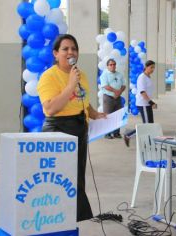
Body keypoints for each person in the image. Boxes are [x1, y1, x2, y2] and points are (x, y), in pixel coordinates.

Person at [37, 34, 107, 222]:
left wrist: (94, 114)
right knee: (63, 178)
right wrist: (69, 85)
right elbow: (50, 108)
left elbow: (82, 99)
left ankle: (76, 219)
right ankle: (66, 218)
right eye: (65, 49)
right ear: (56, 53)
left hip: (79, 128)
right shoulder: (48, 77)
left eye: (74, 49)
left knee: (77, 176)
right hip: (58, 129)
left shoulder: (80, 75)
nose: (70, 52)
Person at [124, 60, 157, 147]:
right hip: (143, 104)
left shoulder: (148, 77)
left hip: (147, 104)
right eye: (151, 67)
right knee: (146, 126)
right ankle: (129, 135)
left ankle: (149, 142)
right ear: (146, 67)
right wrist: (151, 102)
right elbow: (142, 92)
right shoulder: (142, 77)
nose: (153, 69)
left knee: (150, 124)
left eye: (154, 67)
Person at [100, 58, 126, 139]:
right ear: (107, 66)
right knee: (108, 116)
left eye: (114, 64)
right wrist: (115, 91)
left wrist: (119, 92)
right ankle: (107, 134)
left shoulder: (119, 75)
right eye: (110, 65)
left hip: (118, 97)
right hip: (108, 98)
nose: (112, 66)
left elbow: (123, 85)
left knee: (118, 115)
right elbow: (105, 86)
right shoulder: (104, 75)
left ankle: (116, 133)